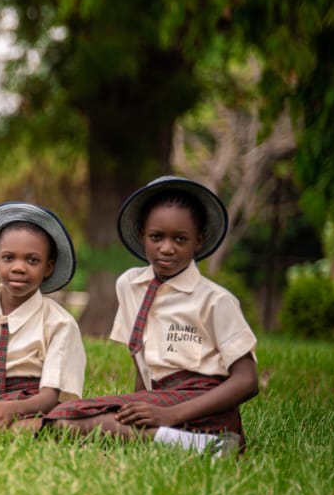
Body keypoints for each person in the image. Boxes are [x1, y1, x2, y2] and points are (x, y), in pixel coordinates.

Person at [45, 176, 258, 454]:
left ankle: (211, 444)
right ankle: (189, 443)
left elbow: (247, 381)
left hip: (206, 406)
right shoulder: (130, 285)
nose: (167, 248)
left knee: (73, 424)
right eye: (157, 237)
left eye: (180, 239)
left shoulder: (215, 300)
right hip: (159, 398)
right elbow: (141, 361)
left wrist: (169, 415)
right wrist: (137, 406)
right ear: (143, 235)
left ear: (198, 241)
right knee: (65, 416)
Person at [0, 202, 85, 431]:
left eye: (32, 260)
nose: (19, 268)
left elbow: (50, 396)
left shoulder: (60, 323)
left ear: (48, 267)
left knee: (54, 425)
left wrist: (12, 409)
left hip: (33, 406)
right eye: (9, 258)